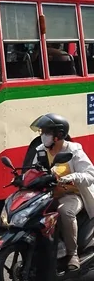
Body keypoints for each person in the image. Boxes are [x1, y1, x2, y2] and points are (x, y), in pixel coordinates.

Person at [31, 113, 94, 271]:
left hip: (71, 194)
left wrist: (72, 177)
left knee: (65, 212)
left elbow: (90, 174)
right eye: (42, 132)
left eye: (46, 132)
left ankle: (72, 254)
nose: (43, 135)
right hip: (47, 195)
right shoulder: (40, 151)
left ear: (58, 135)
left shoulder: (73, 150)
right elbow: (33, 171)